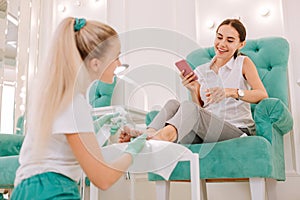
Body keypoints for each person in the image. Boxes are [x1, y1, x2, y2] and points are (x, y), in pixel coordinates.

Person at [11, 17, 147, 200]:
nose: (119, 64)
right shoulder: (74, 102)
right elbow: (103, 178)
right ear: (96, 63)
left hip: (28, 189)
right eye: (116, 57)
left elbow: (69, 149)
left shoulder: (60, 96)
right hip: (52, 190)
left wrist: (99, 126)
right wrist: (132, 151)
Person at [119, 18, 268, 144]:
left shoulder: (243, 63)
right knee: (174, 104)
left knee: (188, 108)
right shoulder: (202, 70)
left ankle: (160, 137)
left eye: (230, 40)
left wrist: (230, 92)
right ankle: (149, 133)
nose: (222, 44)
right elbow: (200, 110)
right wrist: (193, 90)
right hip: (208, 130)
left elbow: (262, 94)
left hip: (236, 129)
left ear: (241, 44)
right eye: (219, 37)